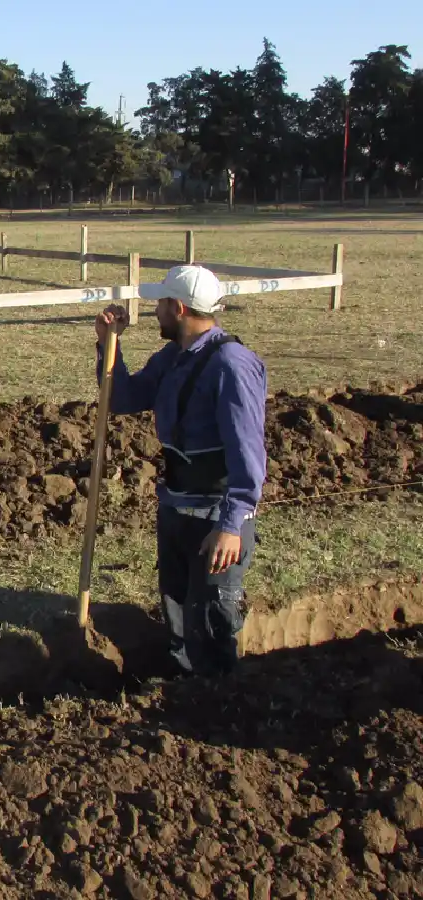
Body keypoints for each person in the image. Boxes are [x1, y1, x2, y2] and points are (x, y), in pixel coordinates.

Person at [94, 265, 267, 677]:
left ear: (179, 307)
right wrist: (109, 344)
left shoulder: (230, 365)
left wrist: (231, 525)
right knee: (176, 609)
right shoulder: (173, 357)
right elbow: (123, 399)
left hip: (215, 518)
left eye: (160, 304)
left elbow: (248, 454)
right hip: (175, 506)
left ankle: (217, 706)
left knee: (211, 619)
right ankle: (180, 689)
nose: (155, 311)